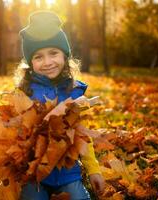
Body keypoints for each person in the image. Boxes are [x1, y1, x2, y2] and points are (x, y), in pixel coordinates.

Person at [15, 11, 105, 200]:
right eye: (38, 56)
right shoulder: (25, 93)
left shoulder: (73, 91)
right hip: (34, 171)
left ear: (65, 56)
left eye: (53, 53)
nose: (47, 62)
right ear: (30, 63)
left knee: (77, 197)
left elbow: (81, 136)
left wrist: (93, 170)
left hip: (66, 171)